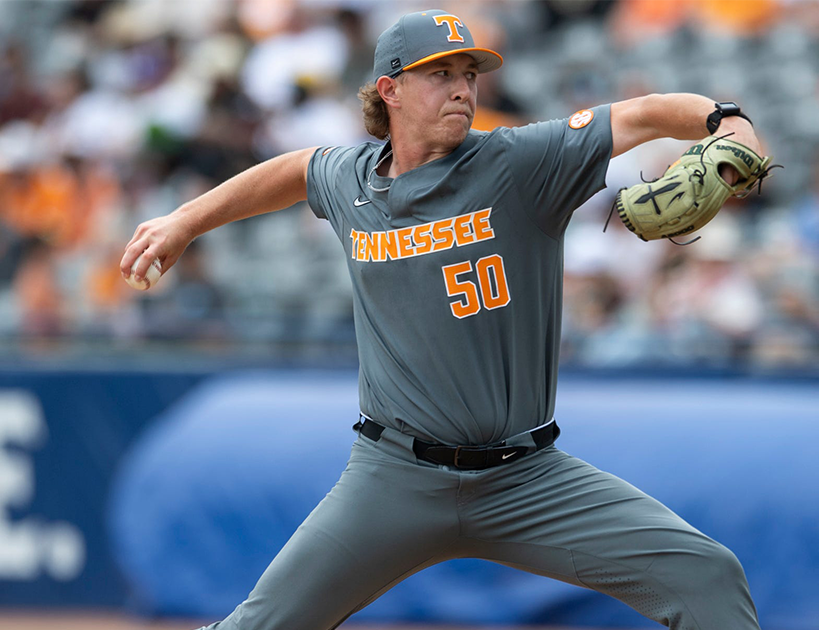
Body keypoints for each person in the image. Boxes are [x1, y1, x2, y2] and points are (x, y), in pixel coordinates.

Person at [121, 9, 763, 629]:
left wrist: (726, 121)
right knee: (262, 624)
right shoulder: (351, 180)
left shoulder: (520, 163)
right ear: (390, 89)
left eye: (469, 75)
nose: (462, 89)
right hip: (392, 478)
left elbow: (647, 113)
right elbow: (295, 170)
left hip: (528, 479)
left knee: (706, 575)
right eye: (441, 74)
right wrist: (185, 220)